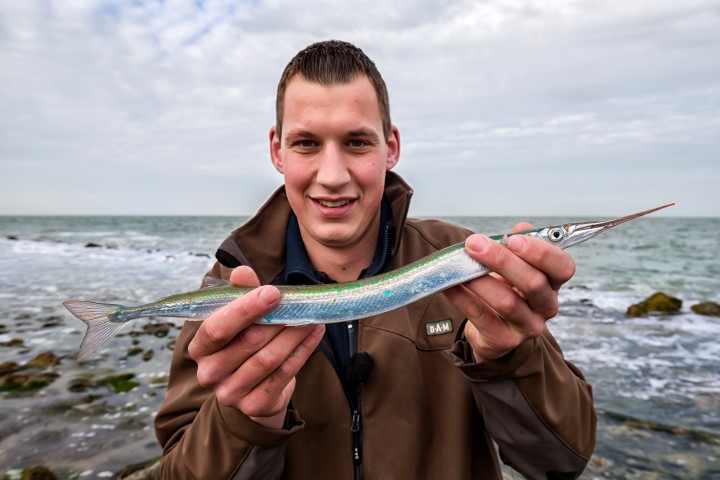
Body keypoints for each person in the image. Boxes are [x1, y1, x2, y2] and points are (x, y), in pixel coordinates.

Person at [154, 40, 596, 479]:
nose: (332, 176)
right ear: (277, 151)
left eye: (357, 142)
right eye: (306, 143)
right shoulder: (231, 288)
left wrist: (510, 357)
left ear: (391, 147)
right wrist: (248, 422)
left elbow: (562, 463)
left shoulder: (473, 264)